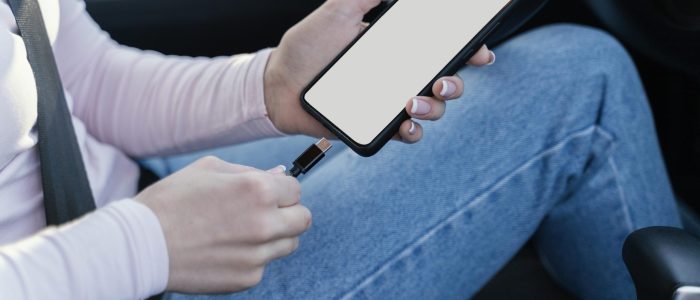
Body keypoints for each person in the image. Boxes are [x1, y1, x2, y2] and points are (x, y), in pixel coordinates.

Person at [0, 0, 681, 299]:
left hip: (132, 198)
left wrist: (268, 87)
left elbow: (74, 76)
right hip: (110, 268)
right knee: (580, 81)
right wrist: (143, 245)